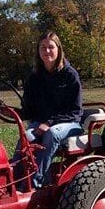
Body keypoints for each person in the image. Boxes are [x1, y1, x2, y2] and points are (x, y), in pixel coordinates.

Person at [16, 31, 83, 188]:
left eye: (51, 47)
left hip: (70, 123)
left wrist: (49, 123)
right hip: (41, 123)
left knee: (51, 134)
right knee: (26, 137)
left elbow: (75, 110)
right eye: (43, 47)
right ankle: (15, 181)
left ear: (58, 49)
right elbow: (29, 110)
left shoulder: (69, 75)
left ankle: (35, 183)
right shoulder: (34, 78)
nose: (47, 51)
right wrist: (11, 112)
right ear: (38, 51)